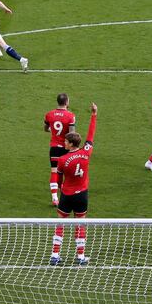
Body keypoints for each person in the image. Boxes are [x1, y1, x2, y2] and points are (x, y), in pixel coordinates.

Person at [50, 104, 98, 266]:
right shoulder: (86, 152)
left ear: (71, 144)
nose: (64, 142)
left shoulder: (62, 160)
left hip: (67, 195)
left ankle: (55, 255)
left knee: (60, 223)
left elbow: (59, 178)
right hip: (82, 195)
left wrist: (57, 191)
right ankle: (80, 257)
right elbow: (91, 136)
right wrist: (94, 115)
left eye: (66, 141)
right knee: (80, 223)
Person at [44, 93, 76, 206]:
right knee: (65, 172)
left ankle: (54, 198)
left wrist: (53, 131)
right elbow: (72, 134)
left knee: (54, 171)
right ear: (66, 102)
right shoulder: (70, 116)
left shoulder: (49, 115)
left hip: (54, 148)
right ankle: (67, 193)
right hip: (66, 148)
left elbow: (46, 128)